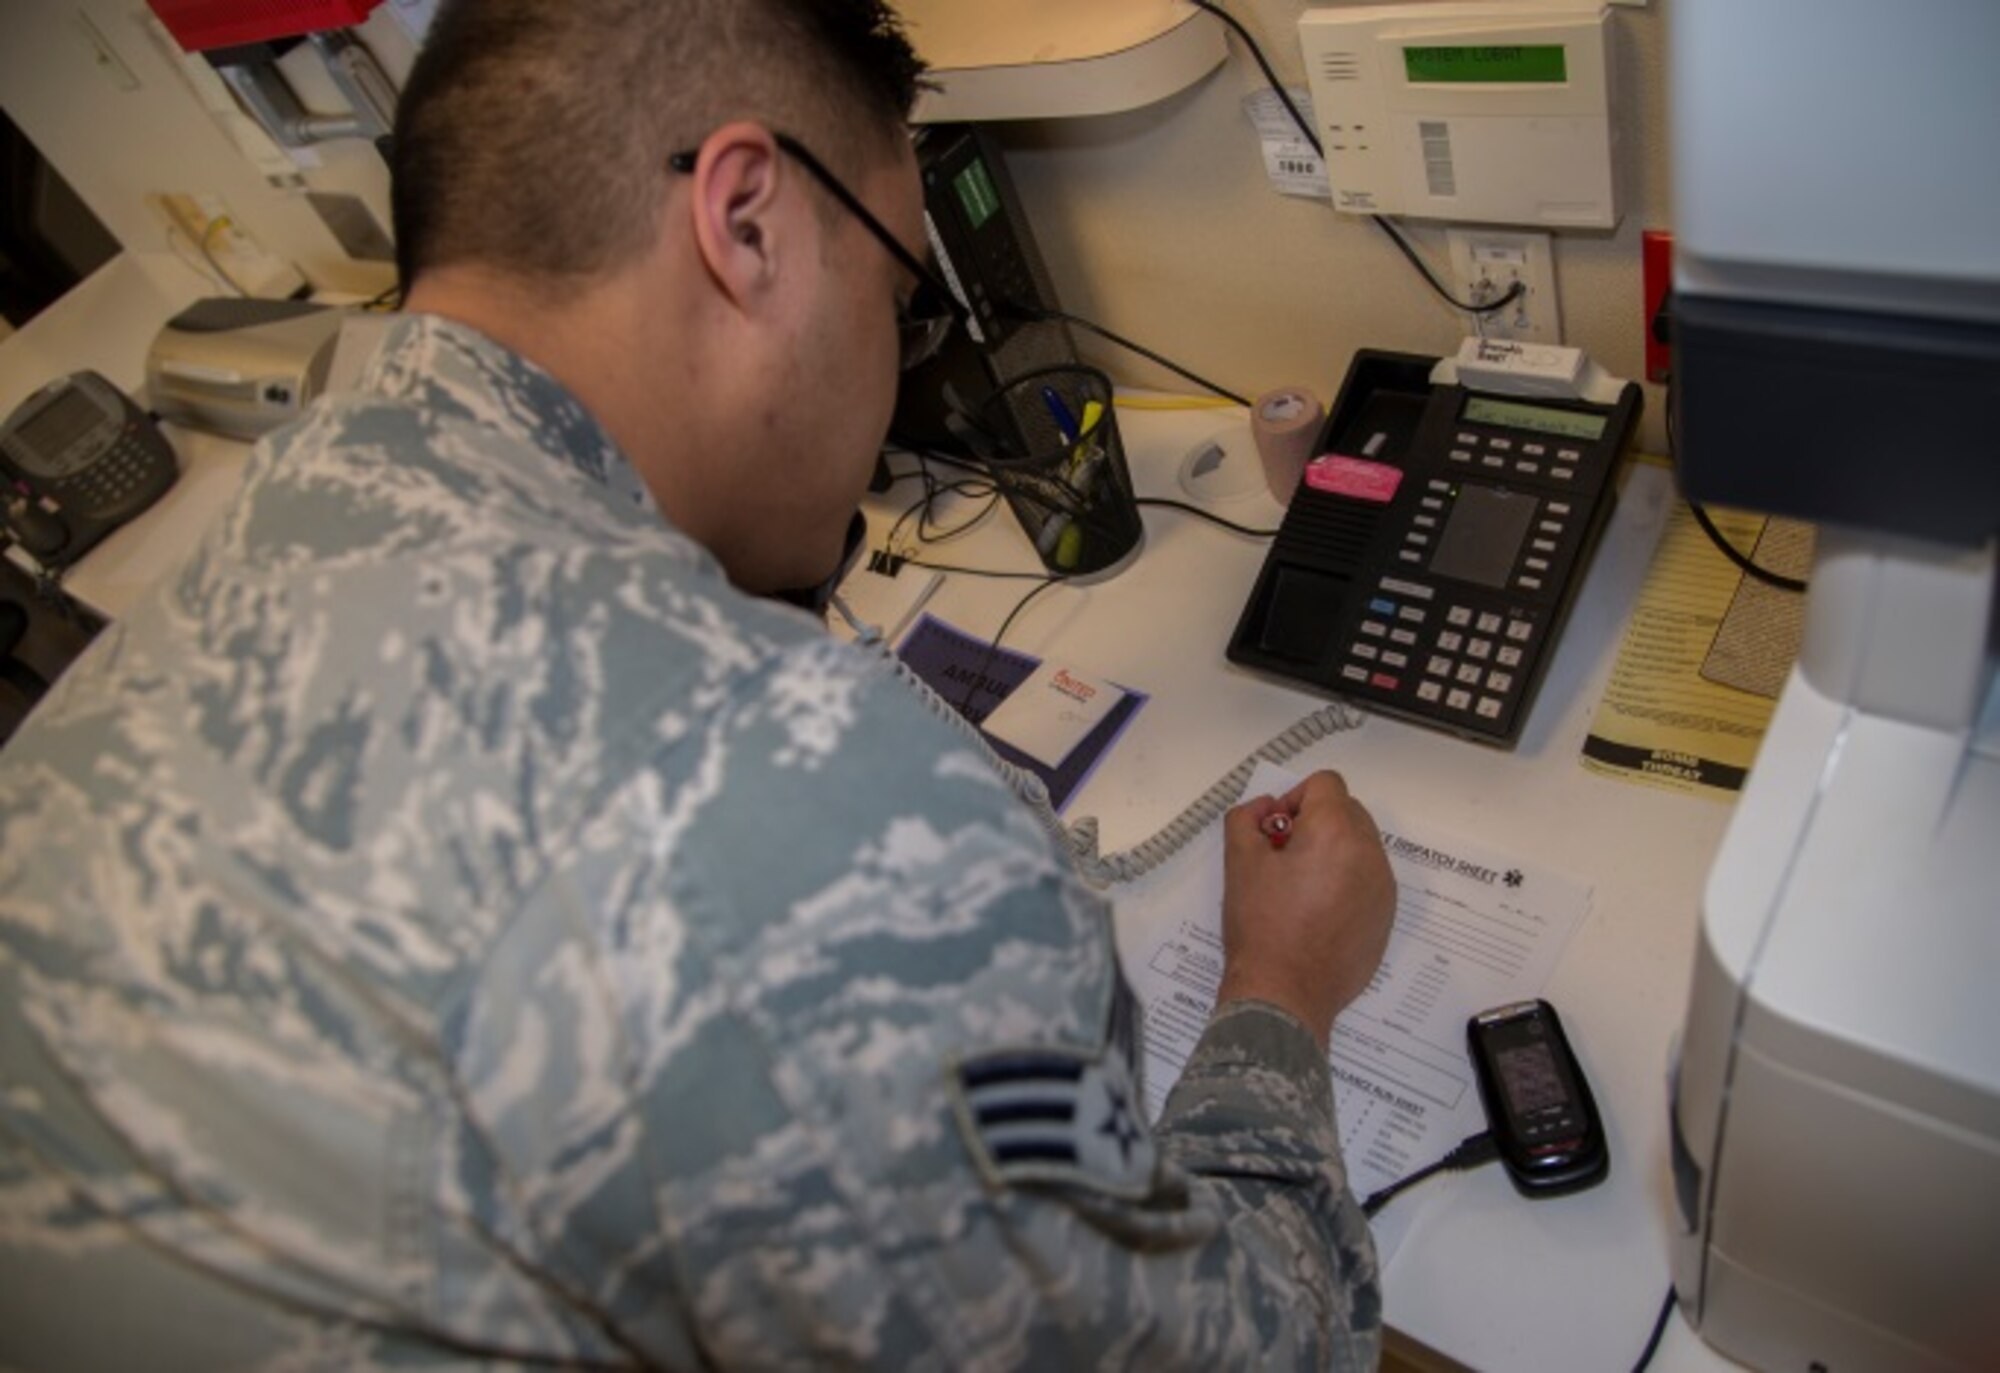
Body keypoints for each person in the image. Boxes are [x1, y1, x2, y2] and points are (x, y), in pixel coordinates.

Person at [0, 0, 1397, 1366]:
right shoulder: (814, 816)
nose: (891, 372)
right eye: (901, 305)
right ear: (746, 221)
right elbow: (1249, 1348)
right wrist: (1280, 987)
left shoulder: (201, 590)